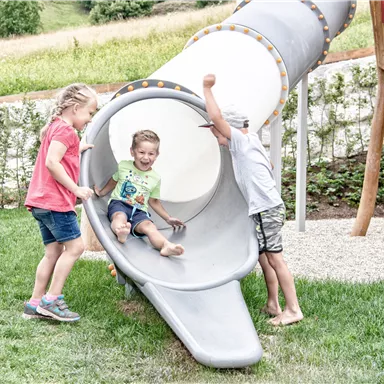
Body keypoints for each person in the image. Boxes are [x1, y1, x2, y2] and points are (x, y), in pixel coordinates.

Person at [202, 74, 303, 326]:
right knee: (262, 256)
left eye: (218, 135)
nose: (219, 140)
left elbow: (216, 118)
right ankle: (273, 303)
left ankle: (293, 309)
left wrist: (207, 88)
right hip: (263, 208)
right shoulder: (252, 142)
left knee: (275, 258)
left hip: (266, 209)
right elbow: (266, 165)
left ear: (231, 129)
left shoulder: (241, 143)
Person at [23, 83, 98, 322]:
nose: (89, 119)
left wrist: (79, 147)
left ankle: (35, 303)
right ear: (75, 108)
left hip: (40, 203)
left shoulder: (57, 128)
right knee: (76, 248)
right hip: (55, 203)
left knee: (52, 252)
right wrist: (76, 189)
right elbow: (52, 163)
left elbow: (62, 154)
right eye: (89, 113)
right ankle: (51, 300)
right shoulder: (66, 131)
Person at [94, 129, 185, 257]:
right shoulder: (124, 166)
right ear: (132, 151)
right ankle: (121, 231)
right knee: (119, 217)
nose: (146, 157)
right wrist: (102, 192)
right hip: (120, 203)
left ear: (157, 155)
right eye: (141, 152)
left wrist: (167, 218)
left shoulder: (155, 178)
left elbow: (153, 201)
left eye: (151, 153)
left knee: (149, 226)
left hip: (139, 211)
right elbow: (114, 181)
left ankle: (165, 245)